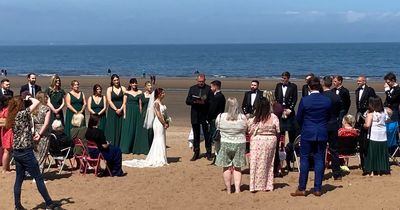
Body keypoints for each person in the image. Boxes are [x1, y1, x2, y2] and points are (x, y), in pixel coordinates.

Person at [6, 94, 59, 210]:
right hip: (26, 152)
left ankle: (17, 205)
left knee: (19, 179)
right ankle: (49, 203)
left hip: (17, 151)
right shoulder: (22, 114)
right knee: (38, 178)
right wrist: (29, 97)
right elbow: (37, 103)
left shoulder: (11, 116)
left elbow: (23, 131)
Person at [291, 77, 331, 197]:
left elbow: (299, 118)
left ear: (309, 87)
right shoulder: (326, 100)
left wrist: (305, 126)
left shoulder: (305, 100)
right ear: (319, 86)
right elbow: (328, 117)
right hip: (321, 132)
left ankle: (302, 188)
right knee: (319, 159)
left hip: (308, 132)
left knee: (304, 160)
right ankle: (317, 188)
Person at [123, 88, 170, 168]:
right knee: (158, 139)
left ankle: (161, 156)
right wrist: (164, 123)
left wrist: (167, 120)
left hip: (161, 122)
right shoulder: (156, 103)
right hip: (158, 123)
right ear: (159, 94)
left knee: (161, 138)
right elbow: (158, 115)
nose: (164, 94)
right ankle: (158, 158)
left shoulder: (160, 102)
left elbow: (163, 114)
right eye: (162, 93)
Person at [214, 97, 247, 194]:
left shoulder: (221, 116)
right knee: (237, 167)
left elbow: (217, 127)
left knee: (226, 166)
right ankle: (237, 189)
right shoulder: (242, 117)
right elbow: (246, 128)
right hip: (239, 143)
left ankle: (228, 189)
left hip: (225, 142)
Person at [248, 97, 280, 192]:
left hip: (257, 140)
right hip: (270, 140)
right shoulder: (273, 117)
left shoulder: (255, 119)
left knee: (255, 162)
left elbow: (250, 130)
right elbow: (278, 129)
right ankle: (267, 185)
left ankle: (254, 186)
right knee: (268, 162)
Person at [185, 73, 213, 161]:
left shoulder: (208, 89)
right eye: (199, 81)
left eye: (202, 81)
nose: (201, 83)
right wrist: (195, 101)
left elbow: (212, 102)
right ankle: (196, 152)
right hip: (195, 114)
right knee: (196, 135)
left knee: (207, 135)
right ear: (197, 81)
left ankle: (208, 153)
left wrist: (204, 102)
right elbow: (187, 101)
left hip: (205, 114)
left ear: (205, 81)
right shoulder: (192, 88)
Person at [274, 71, 298, 172]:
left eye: (284, 78)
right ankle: (280, 162)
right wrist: (280, 109)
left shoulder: (293, 86)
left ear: (288, 78)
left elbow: (295, 98)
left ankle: (290, 160)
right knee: (280, 136)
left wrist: (290, 109)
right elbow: (276, 97)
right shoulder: (278, 86)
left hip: (290, 113)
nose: (283, 80)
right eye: (282, 78)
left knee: (292, 137)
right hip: (280, 111)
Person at [321, 76, 343, 180]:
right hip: (333, 124)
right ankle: (337, 174)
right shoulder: (336, 97)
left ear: (323, 84)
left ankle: (320, 173)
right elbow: (339, 110)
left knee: (321, 150)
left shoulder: (321, 96)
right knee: (334, 150)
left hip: (323, 125)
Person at [120, 78, 149, 154]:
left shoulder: (140, 92)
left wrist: (140, 114)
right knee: (128, 129)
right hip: (129, 111)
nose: (134, 84)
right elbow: (124, 104)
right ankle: (126, 148)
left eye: (135, 83)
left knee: (136, 129)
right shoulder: (126, 92)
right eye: (133, 83)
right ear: (130, 84)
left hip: (136, 111)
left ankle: (135, 148)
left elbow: (140, 104)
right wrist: (125, 114)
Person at [363, 97, 390, 176]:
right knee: (381, 152)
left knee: (372, 152)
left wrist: (363, 125)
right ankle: (379, 170)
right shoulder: (384, 112)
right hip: (383, 134)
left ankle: (371, 170)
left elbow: (367, 125)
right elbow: (388, 119)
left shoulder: (371, 113)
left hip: (374, 135)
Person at [355, 75, 376, 173]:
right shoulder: (357, 91)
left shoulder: (370, 90)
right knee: (359, 137)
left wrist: (368, 112)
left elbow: (373, 101)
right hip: (359, 116)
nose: (357, 82)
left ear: (364, 81)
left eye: (359, 81)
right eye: (357, 81)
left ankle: (367, 162)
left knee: (366, 138)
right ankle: (363, 162)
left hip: (367, 115)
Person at [263, 90, 284, 177]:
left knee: (265, 151)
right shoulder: (279, 106)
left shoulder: (263, 107)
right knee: (275, 151)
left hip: (266, 130)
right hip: (276, 130)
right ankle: (276, 169)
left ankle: (267, 169)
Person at [31, 92, 51, 170]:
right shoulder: (46, 109)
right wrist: (40, 134)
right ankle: (39, 175)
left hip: (34, 132)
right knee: (42, 154)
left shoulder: (34, 108)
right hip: (44, 133)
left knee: (35, 153)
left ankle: (33, 173)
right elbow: (46, 124)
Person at [207, 80, 226, 164]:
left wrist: (208, 118)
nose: (211, 88)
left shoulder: (217, 97)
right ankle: (217, 156)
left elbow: (212, 109)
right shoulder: (220, 96)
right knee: (216, 138)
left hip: (215, 119)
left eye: (211, 87)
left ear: (215, 87)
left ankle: (217, 157)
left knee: (215, 138)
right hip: (218, 118)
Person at [105, 74, 126, 147]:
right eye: (114, 80)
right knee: (112, 127)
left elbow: (125, 101)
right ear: (112, 81)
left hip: (121, 109)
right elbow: (109, 101)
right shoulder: (109, 89)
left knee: (121, 127)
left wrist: (121, 109)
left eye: (117, 79)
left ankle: (120, 144)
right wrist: (116, 109)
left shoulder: (123, 88)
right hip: (112, 110)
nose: (116, 81)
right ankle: (111, 143)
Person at [0, 95, 13, 173]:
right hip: (8, 131)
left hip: (4, 130)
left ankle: (7, 167)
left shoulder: (3, 109)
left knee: (8, 150)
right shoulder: (7, 110)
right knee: (7, 150)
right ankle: (5, 168)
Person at [141, 81, 154, 146]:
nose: (150, 87)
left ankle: (150, 143)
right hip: (144, 113)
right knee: (144, 130)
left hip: (152, 113)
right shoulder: (142, 95)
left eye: (151, 85)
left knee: (151, 130)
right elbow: (140, 106)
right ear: (145, 87)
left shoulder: (154, 95)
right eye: (148, 85)